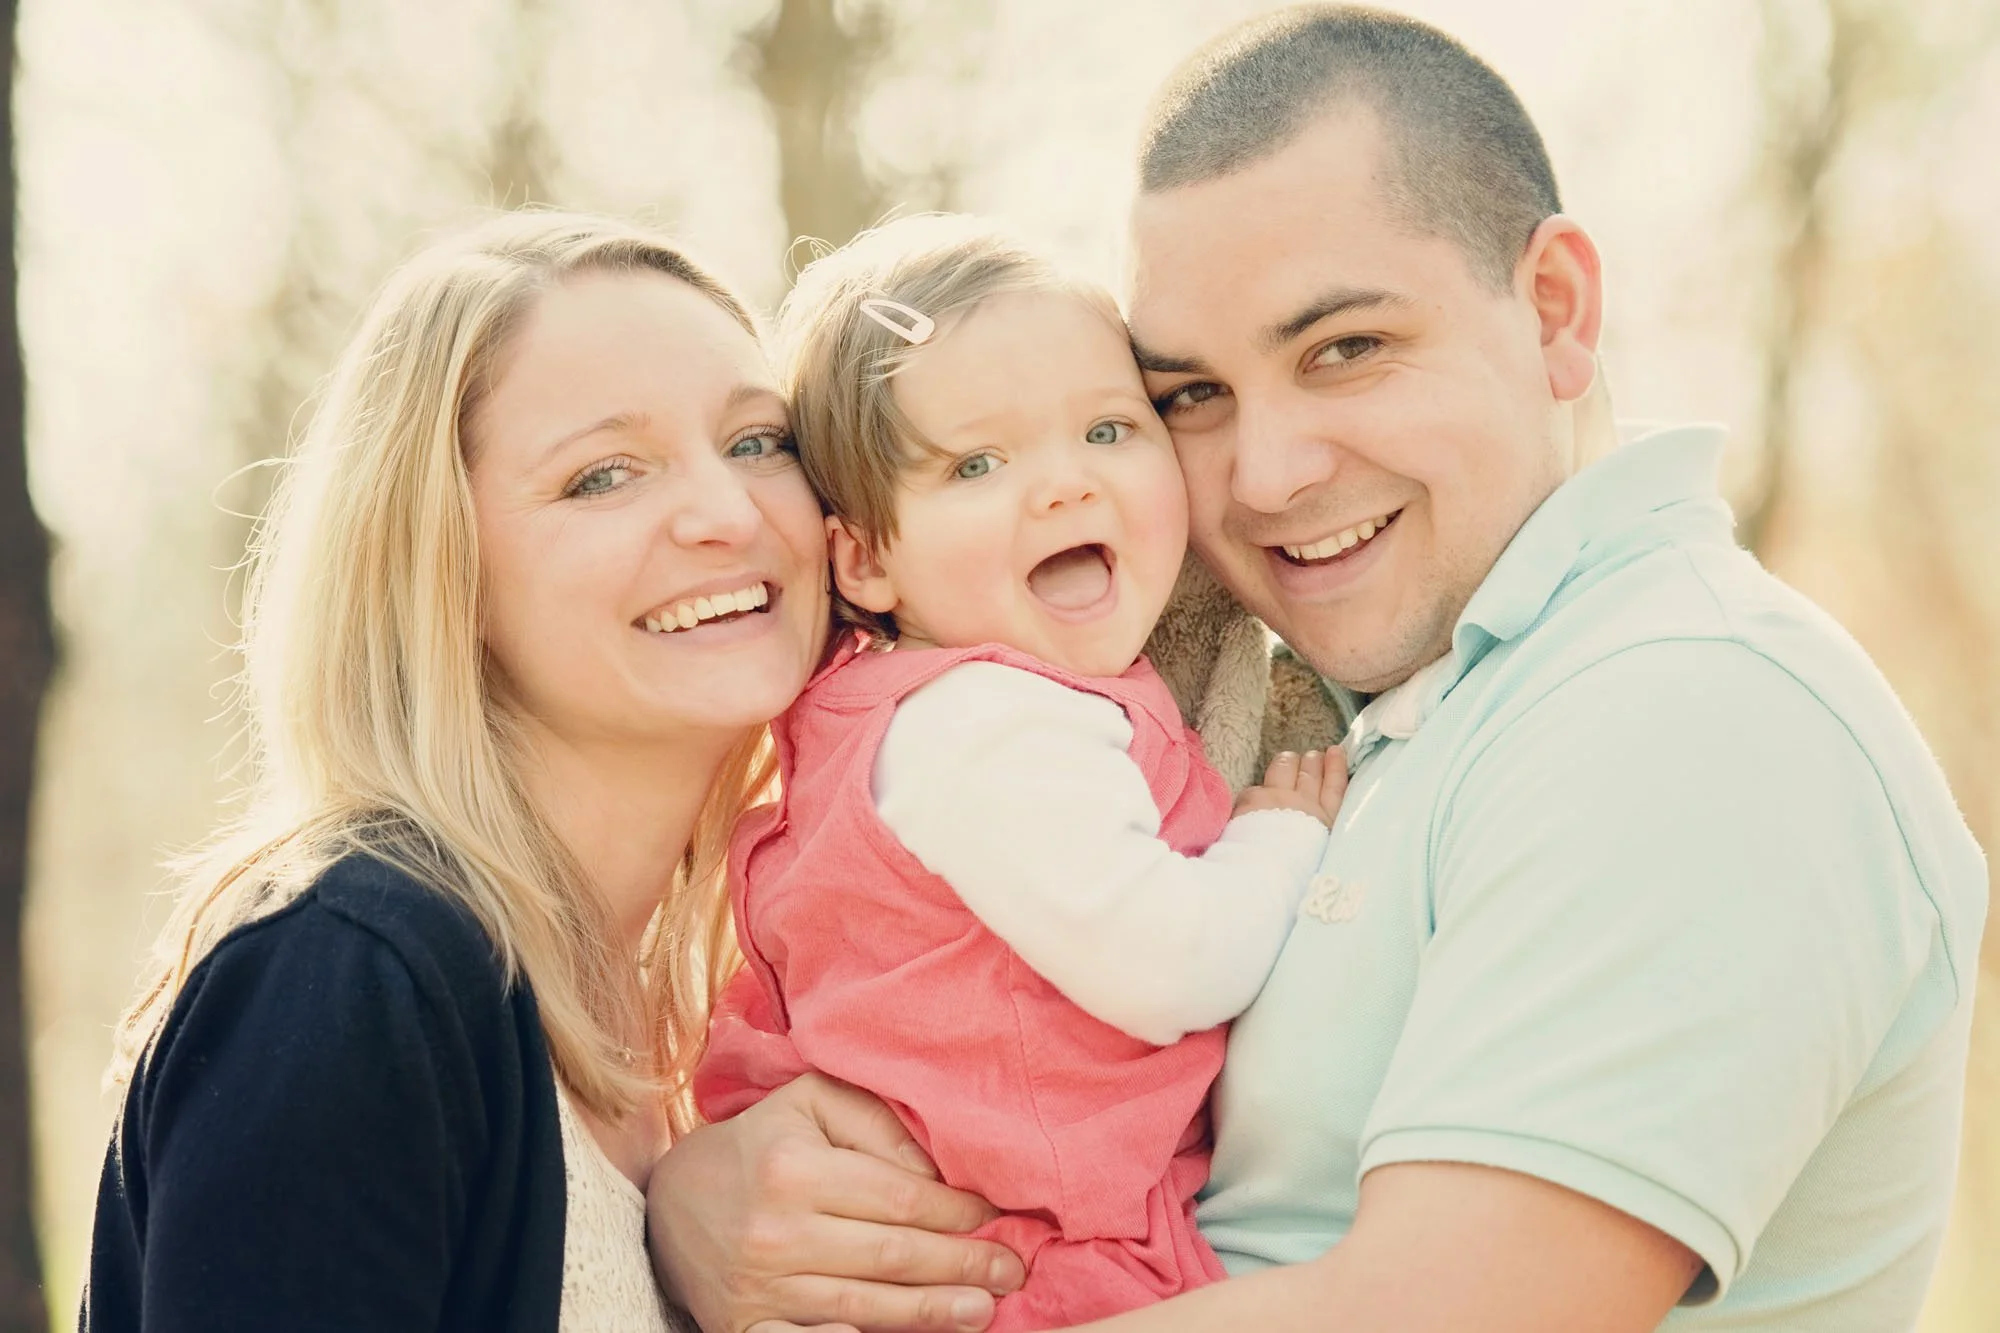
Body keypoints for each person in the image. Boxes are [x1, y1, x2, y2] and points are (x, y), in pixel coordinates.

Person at [647, 8, 1989, 1333]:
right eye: (1194, 398)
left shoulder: (1689, 712)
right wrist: (712, 1201)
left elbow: (1433, 1317)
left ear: (1556, 310)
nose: (1269, 473)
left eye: (1346, 350)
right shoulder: (1350, 699)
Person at [82, 210, 831, 1332]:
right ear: (441, 565)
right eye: (602, 476)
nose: (727, 514)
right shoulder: (347, 976)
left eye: (756, 441)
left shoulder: (711, 1032)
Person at [688, 215, 1345, 1331]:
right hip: (1008, 1260)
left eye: (1104, 429)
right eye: (976, 463)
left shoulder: (960, 705)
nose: (1061, 489)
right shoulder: (983, 728)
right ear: (865, 557)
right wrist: (1278, 837)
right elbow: (1169, 960)